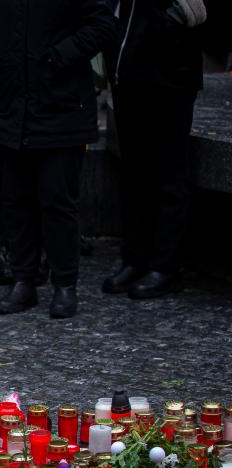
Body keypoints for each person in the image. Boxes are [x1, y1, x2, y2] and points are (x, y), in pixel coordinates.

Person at [0, 0, 114, 318]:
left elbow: (100, 24)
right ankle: (24, 280)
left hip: (61, 103)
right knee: (16, 199)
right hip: (10, 101)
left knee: (58, 200)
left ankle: (64, 284)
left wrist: (62, 55)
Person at [102, 0, 210, 299]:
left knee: (168, 174)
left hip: (170, 73)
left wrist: (175, 19)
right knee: (134, 173)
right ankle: (135, 259)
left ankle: (165, 267)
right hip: (128, 69)